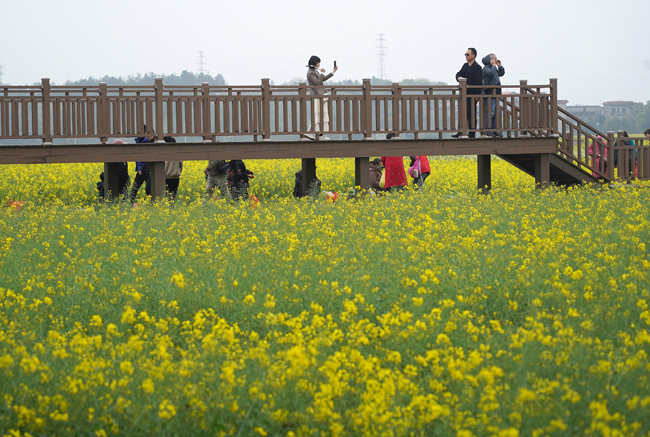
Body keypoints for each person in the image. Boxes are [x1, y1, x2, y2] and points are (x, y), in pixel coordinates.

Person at [304, 55, 338, 141]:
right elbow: (317, 82)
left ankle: (321, 134)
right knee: (316, 114)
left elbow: (322, 80)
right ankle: (310, 132)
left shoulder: (314, 71)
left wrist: (332, 72)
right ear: (314, 63)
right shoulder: (310, 73)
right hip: (315, 95)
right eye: (318, 63)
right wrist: (322, 73)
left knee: (322, 114)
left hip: (320, 95)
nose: (319, 65)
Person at [453, 48, 483, 138]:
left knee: (471, 114)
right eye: (465, 54)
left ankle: (472, 132)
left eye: (467, 54)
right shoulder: (465, 66)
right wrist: (459, 77)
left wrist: (477, 95)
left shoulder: (477, 67)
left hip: (472, 94)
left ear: (473, 56)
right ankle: (460, 131)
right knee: (462, 113)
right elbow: (458, 74)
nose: (466, 56)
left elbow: (479, 83)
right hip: (463, 95)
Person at [481, 53, 505, 137]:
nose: (495, 60)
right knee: (490, 113)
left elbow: (501, 73)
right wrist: (494, 66)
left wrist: (500, 66)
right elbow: (490, 73)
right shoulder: (486, 68)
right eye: (494, 59)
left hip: (496, 94)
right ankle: (489, 130)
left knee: (495, 113)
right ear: (489, 60)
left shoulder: (494, 69)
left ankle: (494, 130)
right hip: (489, 94)